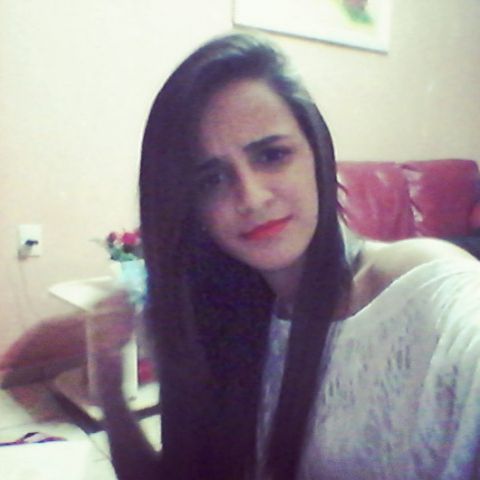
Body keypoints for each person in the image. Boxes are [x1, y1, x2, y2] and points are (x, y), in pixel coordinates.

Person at [90, 32, 480, 480]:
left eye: (272, 155)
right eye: (211, 179)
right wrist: (111, 392)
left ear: (317, 152)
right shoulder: (218, 321)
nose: (252, 198)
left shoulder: (426, 289)